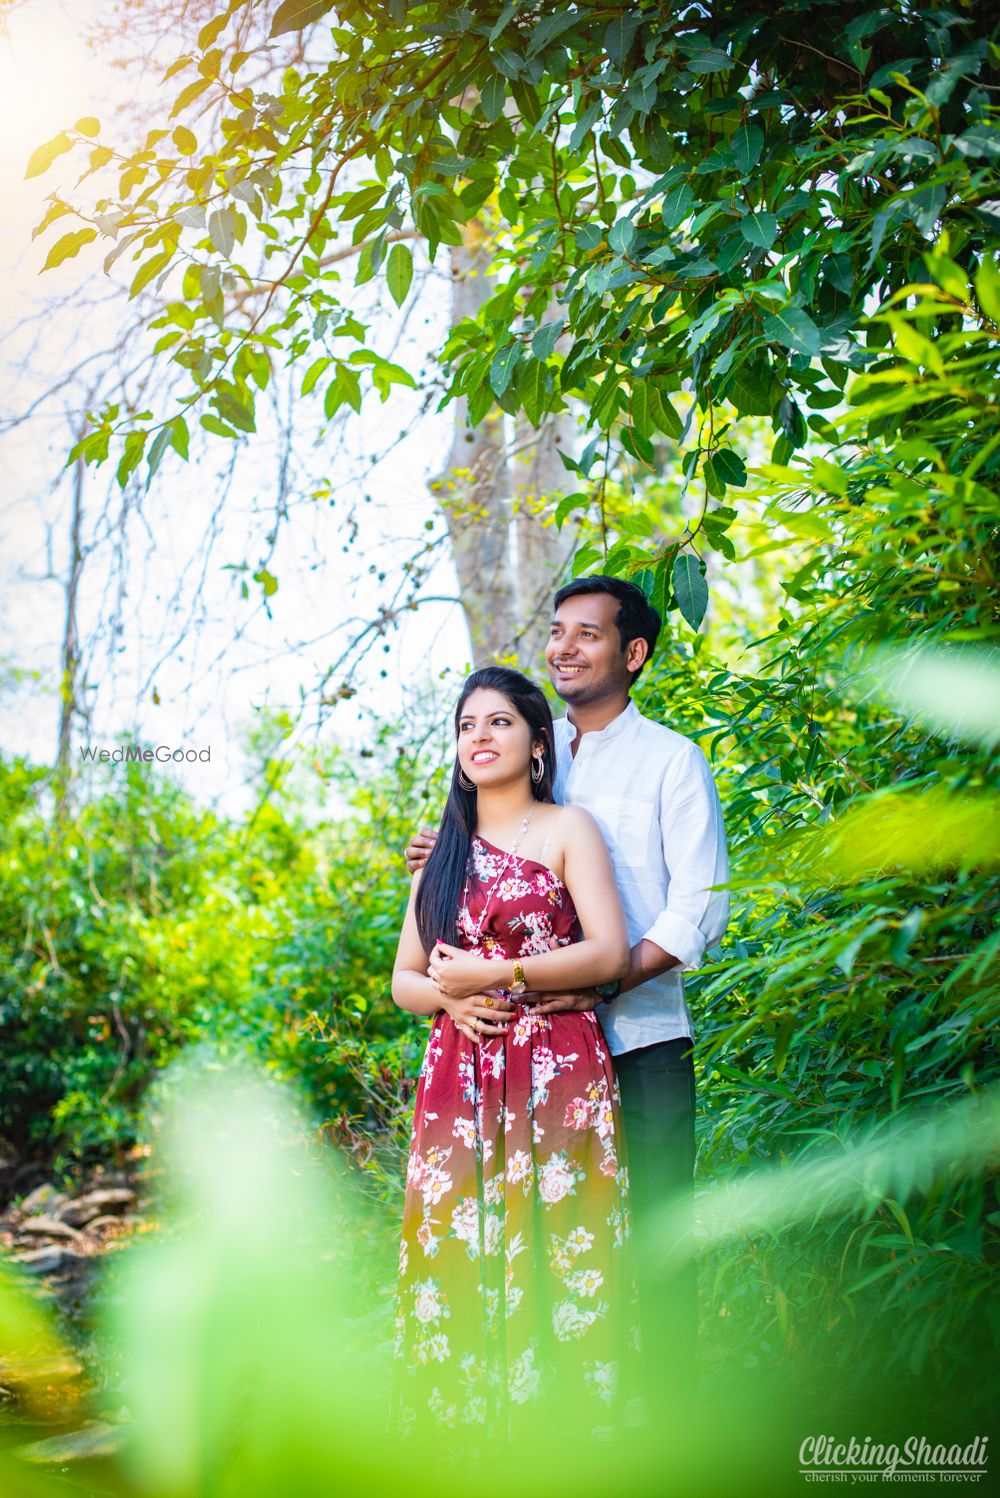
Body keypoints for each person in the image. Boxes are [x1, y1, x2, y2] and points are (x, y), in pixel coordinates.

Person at [406, 577, 731, 1399]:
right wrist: (446, 857)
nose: (564, 648)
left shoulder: (671, 761)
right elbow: (499, 860)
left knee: (647, 1245)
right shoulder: (536, 753)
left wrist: (601, 982)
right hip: (524, 1063)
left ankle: (664, 1429)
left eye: (588, 634)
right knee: (537, 1251)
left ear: (633, 654)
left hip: (640, 1042)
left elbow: (701, 903)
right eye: (557, 632)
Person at [390, 665, 640, 1442]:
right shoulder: (441, 851)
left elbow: (607, 953)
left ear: (538, 742)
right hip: (457, 1081)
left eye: (498, 722)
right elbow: (404, 979)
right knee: (456, 1242)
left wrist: (499, 974)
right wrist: (452, 997)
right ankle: (465, 1447)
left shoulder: (569, 829)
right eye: (467, 725)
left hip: (557, 1073)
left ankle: (571, 1445)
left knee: (566, 1242)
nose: (480, 738)